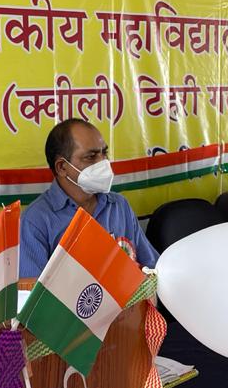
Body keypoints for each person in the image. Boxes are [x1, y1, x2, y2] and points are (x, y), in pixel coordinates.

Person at [20, 118, 157, 278]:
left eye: (104, 153)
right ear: (62, 167)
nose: (103, 162)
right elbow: (33, 290)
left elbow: (152, 267)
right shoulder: (35, 221)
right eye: (91, 157)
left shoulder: (119, 206)